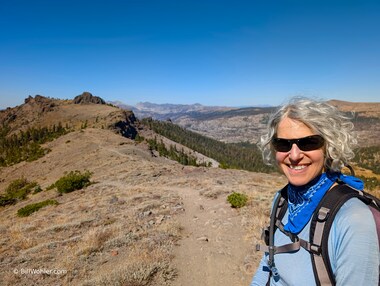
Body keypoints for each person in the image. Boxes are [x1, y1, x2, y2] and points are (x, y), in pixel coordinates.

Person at [250, 97, 379, 285]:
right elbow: (268, 264)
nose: (294, 155)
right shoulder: (282, 200)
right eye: (283, 144)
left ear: (328, 147)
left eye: (309, 142)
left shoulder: (353, 220)